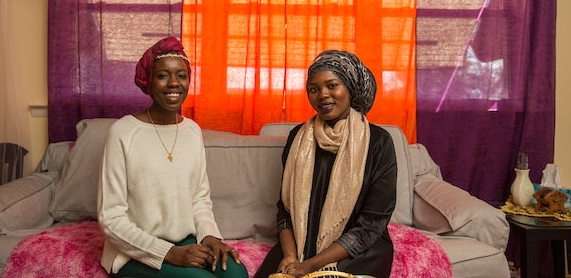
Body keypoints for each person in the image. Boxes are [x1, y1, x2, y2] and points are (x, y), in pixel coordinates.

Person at [98, 36, 248, 278]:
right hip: (135, 251)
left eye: (181, 75)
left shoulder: (192, 131)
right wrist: (168, 252)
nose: (173, 83)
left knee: (236, 274)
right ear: (149, 81)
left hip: (186, 240)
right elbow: (111, 218)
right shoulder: (123, 132)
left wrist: (210, 237)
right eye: (163, 75)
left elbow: (199, 199)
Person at [254, 50, 397, 278]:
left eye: (332, 85)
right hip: (300, 245)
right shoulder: (297, 139)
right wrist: (290, 256)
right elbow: (285, 211)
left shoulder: (378, 142)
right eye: (314, 89)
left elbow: (372, 223)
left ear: (350, 89)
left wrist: (310, 266)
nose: (323, 95)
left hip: (356, 251)